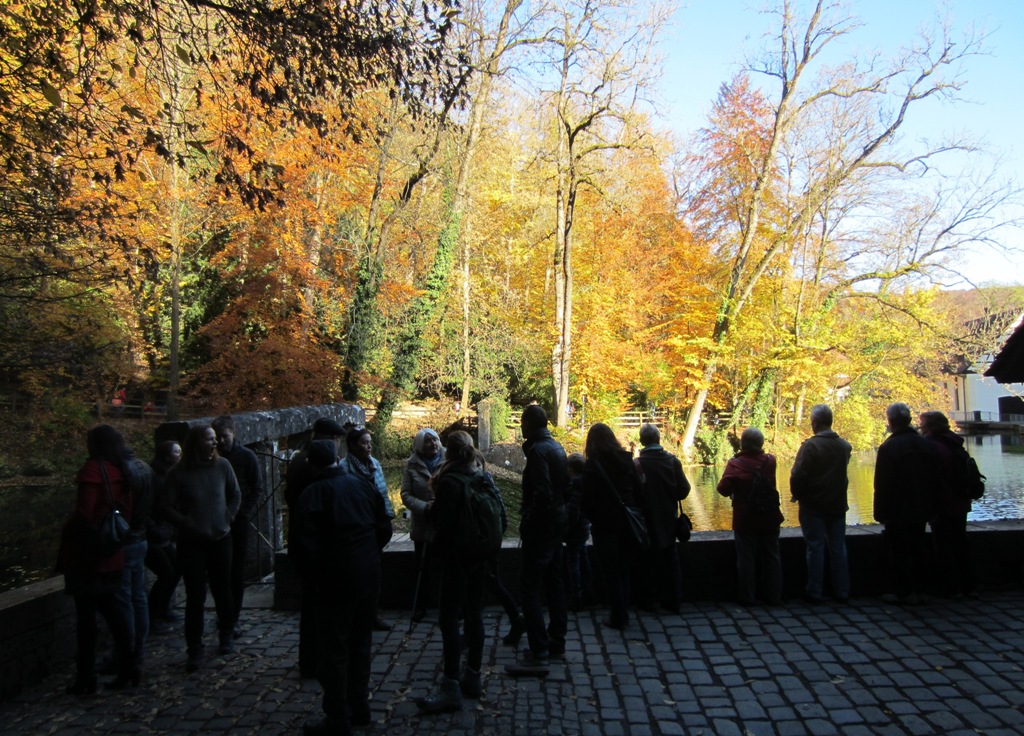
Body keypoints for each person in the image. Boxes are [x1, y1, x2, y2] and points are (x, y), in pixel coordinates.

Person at [295, 439, 393, 736]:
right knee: (360, 644)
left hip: (334, 580)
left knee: (334, 649)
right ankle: (360, 707)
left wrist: (314, 578)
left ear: (312, 464)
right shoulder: (361, 485)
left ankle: (338, 718)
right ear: (337, 459)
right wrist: (368, 554)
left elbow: (303, 547)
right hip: (368, 575)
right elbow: (384, 527)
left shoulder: (312, 494)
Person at [416, 431, 497, 712]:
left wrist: (431, 515)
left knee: (449, 618)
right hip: (480, 556)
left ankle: (450, 684)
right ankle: (473, 676)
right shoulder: (482, 475)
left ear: (448, 452)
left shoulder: (449, 481)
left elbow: (444, 525)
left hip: (457, 558)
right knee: (475, 615)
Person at [57, 424, 136, 694]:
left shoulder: (93, 471)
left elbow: (84, 514)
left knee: (87, 618)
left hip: (88, 558)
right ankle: (129, 665)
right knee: (114, 613)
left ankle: (86, 676)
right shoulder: (121, 470)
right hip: (112, 553)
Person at [162, 424, 241, 671]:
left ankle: (226, 632)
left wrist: (227, 518)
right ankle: (194, 648)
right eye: (209, 439)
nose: (215, 443)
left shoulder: (222, 466)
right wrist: (186, 522)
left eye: (216, 439)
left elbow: (235, 494)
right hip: (192, 542)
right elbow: (166, 506)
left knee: (222, 589)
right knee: (195, 596)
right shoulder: (178, 473)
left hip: (220, 538)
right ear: (196, 442)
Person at [505, 405, 569, 677]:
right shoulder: (556, 447)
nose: (520, 426)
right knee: (555, 584)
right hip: (556, 524)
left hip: (542, 528)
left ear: (529, 424)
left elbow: (542, 493)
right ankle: (556, 642)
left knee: (529, 588)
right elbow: (564, 487)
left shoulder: (539, 452)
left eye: (522, 422)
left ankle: (539, 652)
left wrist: (528, 520)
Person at [286, 417, 348, 678]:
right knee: (320, 610)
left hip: (305, 545)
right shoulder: (311, 465)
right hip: (319, 548)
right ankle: (316, 661)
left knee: (311, 607)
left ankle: (310, 660)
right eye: (336, 441)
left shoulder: (299, 460)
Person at [873, 402, 943, 605]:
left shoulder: (889, 447)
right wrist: (934, 506)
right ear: (910, 421)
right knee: (919, 548)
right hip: (922, 507)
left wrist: (880, 512)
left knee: (899, 552)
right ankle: (922, 589)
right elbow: (936, 479)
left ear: (891, 421)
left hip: (898, 509)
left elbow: (882, 484)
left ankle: (904, 592)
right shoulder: (927, 445)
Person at [580, 423, 644, 630]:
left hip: (605, 525)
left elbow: (587, 499)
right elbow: (638, 491)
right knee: (623, 568)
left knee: (611, 571)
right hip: (627, 522)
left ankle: (618, 616)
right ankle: (623, 610)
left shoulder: (591, 467)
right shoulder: (627, 460)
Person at [790, 405, 852, 604]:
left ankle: (815, 591)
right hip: (837, 503)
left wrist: (796, 494)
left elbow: (797, 475)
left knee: (815, 547)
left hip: (813, 504)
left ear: (815, 422)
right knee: (838, 547)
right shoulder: (844, 446)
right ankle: (842, 590)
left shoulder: (811, 446)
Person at [717, 428, 784, 606]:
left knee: (746, 559)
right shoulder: (771, 461)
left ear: (742, 443)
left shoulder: (735, 464)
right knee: (772, 556)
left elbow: (722, 490)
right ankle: (774, 596)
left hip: (745, 519)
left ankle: (747, 597)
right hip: (769, 516)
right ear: (761, 443)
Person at [211, 415, 264, 634]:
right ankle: (224, 614)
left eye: (225, 436)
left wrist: (243, 514)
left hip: (238, 521)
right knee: (217, 572)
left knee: (236, 570)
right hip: (214, 522)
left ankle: (232, 618)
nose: (222, 441)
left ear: (233, 433)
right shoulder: (210, 459)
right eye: (218, 438)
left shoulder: (246, 456)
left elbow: (257, 488)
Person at [340, 426, 395, 631]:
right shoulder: (344, 468)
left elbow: (382, 493)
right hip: (358, 527)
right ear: (353, 445)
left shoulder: (375, 464)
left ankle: (372, 614)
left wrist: (387, 516)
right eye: (364, 442)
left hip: (377, 523)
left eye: (370, 442)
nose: (369, 446)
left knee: (375, 573)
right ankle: (358, 615)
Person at [635, 423, 690, 613]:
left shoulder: (638, 464)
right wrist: (670, 496)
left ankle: (649, 600)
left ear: (642, 441)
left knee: (647, 561)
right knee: (671, 559)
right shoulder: (672, 461)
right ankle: (674, 600)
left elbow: (633, 493)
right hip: (668, 517)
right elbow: (685, 489)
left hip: (645, 519)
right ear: (659, 439)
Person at [116, 442, 155, 671]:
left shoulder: (123, 472)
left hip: (127, 540)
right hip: (142, 537)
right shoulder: (145, 468)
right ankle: (139, 647)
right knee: (139, 597)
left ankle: (128, 652)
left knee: (124, 599)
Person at [400, 428, 445, 622]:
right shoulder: (411, 465)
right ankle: (421, 606)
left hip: (445, 523)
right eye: (427, 441)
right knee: (422, 568)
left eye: (434, 440)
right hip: (423, 523)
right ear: (420, 445)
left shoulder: (449, 459)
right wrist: (423, 507)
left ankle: (448, 606)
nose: (432, 444)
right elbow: (405, 494)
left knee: (446, 567)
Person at [147, 440, 183, 635]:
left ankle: (162, 608)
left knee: (176, 569)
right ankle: (152, 616)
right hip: (154, 535)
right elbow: (152, 508)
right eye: (177, 452)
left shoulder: (171, 474)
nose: (180, 455)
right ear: (167, 456)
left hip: (163, 532)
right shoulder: (157, 477)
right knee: (167, 572)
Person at [564, 452, 594, 612]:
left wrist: (566, 525)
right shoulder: (585, 483)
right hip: (584, 527)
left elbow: (573, 511)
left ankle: (576, 596)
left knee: (573, 562)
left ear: (571, 469)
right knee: (584, 558)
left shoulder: (574, 485)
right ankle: (588, 592)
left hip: (575, 530)